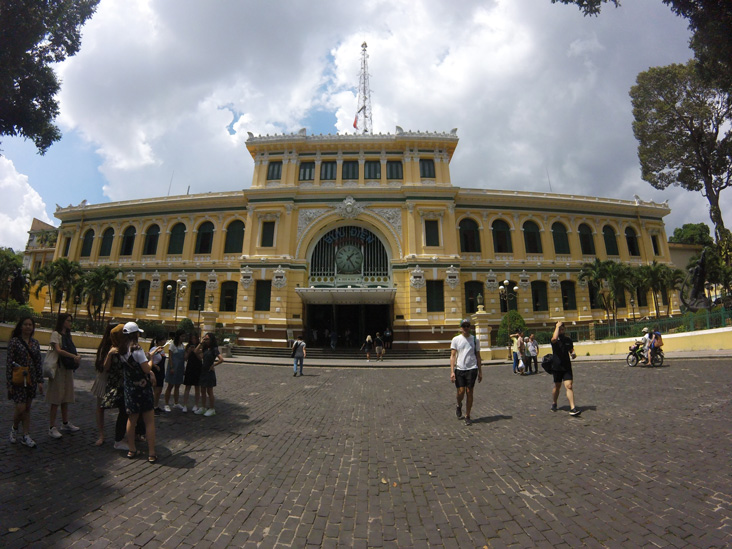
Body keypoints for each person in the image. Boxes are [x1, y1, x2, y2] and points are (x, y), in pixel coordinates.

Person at [116, 322, 157, 462]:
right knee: (149, 421)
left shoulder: (121, 350)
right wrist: (150, 360)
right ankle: (151, 453)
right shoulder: (137, 350)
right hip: (143, 389)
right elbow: (146, 369)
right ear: (136, 334)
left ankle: (131, 449)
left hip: (130, 389)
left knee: (131, 420)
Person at [7, 316, 44, 447]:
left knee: (27, 408)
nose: (28, 327)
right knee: (20, 407)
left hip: (31, 379)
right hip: (18, 379)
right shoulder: (14, 342)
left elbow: (38, 362)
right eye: (25, 324)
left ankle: (26, 435)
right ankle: (14, 428)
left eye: (30, 325)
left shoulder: (35, 343)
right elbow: (9, 363)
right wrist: (9, 383)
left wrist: (40, 380)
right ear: (21, 326)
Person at [46, 313, 81, 439]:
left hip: (67, 369)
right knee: (56, 398)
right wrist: (74, 357)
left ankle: (65, 423)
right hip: (58, 369)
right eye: (68, 321)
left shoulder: (67, 335)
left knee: (66, 396)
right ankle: (51, 426)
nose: (70, 323)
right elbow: (58, 350)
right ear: (62, 321)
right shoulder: (56, 334)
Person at [450, 318, 482, 426]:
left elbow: (478, 356)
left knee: (469, 392)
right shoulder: (456, 339)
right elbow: (453, 356)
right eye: (464, 326)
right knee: (461, 392)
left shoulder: (475, 340)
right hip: (459, 369)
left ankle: (467, 415)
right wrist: (452, 371)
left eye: (468, 326)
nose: (466, 328)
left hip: (472, 368)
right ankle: (459, 404)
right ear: (461, 328)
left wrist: (480, 371)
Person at [91, 323, 117, 446]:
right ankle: (101, 434)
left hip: (115, 380)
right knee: (100, 408)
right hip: (104, 379)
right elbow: (103, 367)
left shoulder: (121, 345)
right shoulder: (105, 347)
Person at [550, 321, 581, 416]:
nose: (561, 331)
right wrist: (557, 326)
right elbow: (554, 338)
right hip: (557, 367)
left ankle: (573, 408)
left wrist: (573, 354)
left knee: (569, 386)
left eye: (562, 329)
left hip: (566, 366)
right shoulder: (554, 340)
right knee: (557, 386)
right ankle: (554, 402)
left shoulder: (568, 340)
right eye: (560, 329)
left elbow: (571, 350)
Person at [195, 333, 224, 417]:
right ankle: (203, 407)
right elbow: (196, 352)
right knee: (202, 390)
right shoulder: (204, 348)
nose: (206, 340)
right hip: (203, 370)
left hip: (209, 371)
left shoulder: (214, 349)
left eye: (207, 339)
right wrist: (201, 343)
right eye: (205, 339)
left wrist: (213, 365)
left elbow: (221, 359)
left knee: (209, 391)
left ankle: (212, 408)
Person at [164, 330, 186, 411]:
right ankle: (166, 404)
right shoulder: (173, 345)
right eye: (182, 336)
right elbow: (170, 357)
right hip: (173, 367)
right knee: (170, 386)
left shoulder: (182, 345)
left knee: (177, 385)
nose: (183, 338)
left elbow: (183, 358)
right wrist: (171, 367)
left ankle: (176, 402)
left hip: (180, 367)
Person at [182, 332, 202, 412]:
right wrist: (189, 351)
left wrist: (196, 352)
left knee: (197, 387)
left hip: (198, 367)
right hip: (190, 367)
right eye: (192, 338)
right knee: (187, 386)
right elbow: (185, 358)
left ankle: (196, 404)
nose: (193, 340)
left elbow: (201, 358)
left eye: (195, 338)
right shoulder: (187, 347)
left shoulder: (200, 346)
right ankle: (185, 405)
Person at [149, 336, 167, 415]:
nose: (165, 341)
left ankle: (156, 406)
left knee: (159, 390)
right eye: (163, 339)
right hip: (156, 371)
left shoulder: (162, 350)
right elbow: (150, 357)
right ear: (159, 341)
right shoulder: (154, 349)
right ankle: (152, 407)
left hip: (161, 370)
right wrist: (155, 366)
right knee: (155, 390)